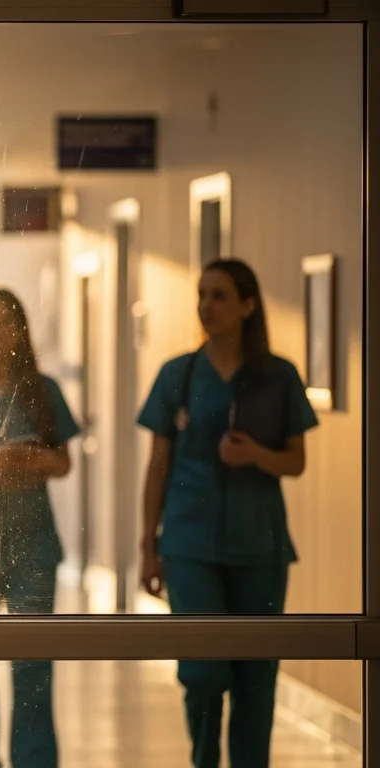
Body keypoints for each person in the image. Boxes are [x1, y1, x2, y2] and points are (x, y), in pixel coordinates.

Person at [136, 259, 316, 768]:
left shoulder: (277, 376)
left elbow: (296, 461)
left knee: (255, 679)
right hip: (189, 545)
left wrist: (255, 454)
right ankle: (204, 761)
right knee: (202, 671)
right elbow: (158, 466)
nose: (206, 306)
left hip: (259, 545)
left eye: (218, 296)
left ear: (247, 305)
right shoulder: (178, 375)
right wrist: (148, 547)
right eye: (201, 295)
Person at [0, 288, 79, 768]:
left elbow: (63, 462)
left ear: (20, 331)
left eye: (5, 322)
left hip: (34, 542)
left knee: (32, 661)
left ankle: (34, 761)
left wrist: (21, 459)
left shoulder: (42, 389)